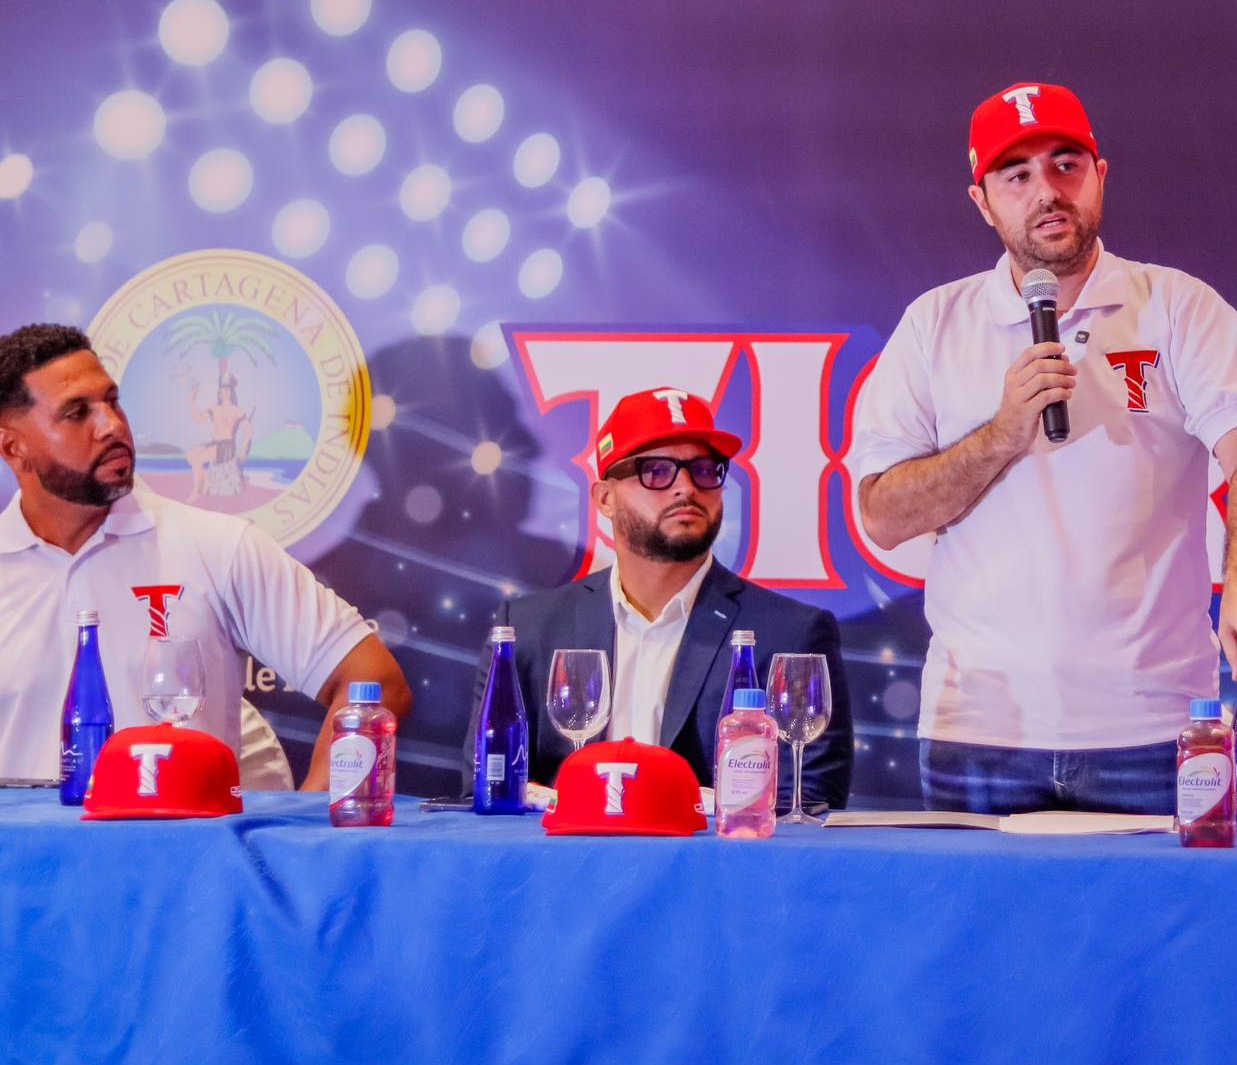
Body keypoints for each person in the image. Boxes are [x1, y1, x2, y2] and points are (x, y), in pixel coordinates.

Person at [850, 81, 1237, 816]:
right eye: (1016, 175)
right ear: (982, 201)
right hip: (978, 729)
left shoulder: (1178, 306)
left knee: (1159, 932)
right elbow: (884, 514)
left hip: (1153, 724)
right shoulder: (935, 324)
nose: (1046, 191)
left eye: (1065, 165)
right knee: (981, 934)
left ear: (1100, 176)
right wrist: (1000, 435)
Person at [0, 323, 409, 788]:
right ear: (14, 447)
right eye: (77, 413)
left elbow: (375, 683)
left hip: (182, 859)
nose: (111, 425)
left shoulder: (216, 547)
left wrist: (307, 832)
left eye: (112, 401)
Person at [477, 388, 852, 810]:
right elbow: (492, 788)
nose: (686, 488)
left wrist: (668, 804)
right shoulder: (528, 628)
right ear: (605, 497)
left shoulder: (790, 633)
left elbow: (809, 805)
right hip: (563, 868)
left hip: (714, 872)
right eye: (657, 471)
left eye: (705, 470)